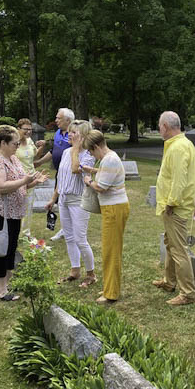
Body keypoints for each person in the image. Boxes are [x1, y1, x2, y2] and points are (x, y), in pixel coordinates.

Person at [0, 125, 48, 301]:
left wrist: (35, 181)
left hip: (14, 211)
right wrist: (24, 180)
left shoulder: (12, 158)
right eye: (14, 144)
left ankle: (8, 284)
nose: (17, 147)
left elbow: (22, 183)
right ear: (3, 142)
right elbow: (0, 187)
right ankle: (1, 290)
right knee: (2, 250)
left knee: (11, 248)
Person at [153, 111, 195, 306]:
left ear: (165, 127)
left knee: (179, 249)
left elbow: (179, 179)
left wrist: (171, 202)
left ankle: (187, 293)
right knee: (170, 243)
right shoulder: (180, 144)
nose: (159, 129)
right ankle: (169, 282)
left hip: (175, 207)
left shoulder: (179, 147)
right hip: (171, 206)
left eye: (159, 126)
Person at [46, 120, 97, 287]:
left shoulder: (88, 155)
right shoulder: (67, 152)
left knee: (80, 238)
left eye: (74, 133)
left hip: (79, 200)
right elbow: (61, 178)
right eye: (70, 132)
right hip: (64, 200)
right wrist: (53, 199)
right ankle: (74, 270)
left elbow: (76, 170)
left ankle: (91, 274)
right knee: (69, 237)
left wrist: (76, 148)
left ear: (83, 136)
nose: (70, 135)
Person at [82, 130, 129, 304]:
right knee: (109, 249)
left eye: (91, 152)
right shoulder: (109, 159)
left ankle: (111, 293)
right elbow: (107, 173)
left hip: (114, 209)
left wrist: (88, 181)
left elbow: (101, 186)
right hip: (113, 208)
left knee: (111, 251)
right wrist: (94, 169)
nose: (92, 156)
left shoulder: (109, 159)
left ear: (96, 146)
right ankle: (110, 286)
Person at [35, 108, 75, 240]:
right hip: (60, 172)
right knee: (60, 200)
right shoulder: (58, 132)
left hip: (72, 174)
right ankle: (65, 229)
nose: (56, 120)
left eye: (59, 118)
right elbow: (54, 151)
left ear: (68, 120)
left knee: (70, 201)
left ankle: (72, 230)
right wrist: (40, 162)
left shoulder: (74, 134)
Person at [15, 118, 47, 236]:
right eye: (25, 129)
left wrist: (42, 146)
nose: (28, 132)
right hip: (18, 179)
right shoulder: (14, 143)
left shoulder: (29, 141)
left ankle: (26, 233)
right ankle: (15, 232)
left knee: (28, 206)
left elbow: (35, 155)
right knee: (17, 206)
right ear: (18, 129)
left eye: (30, 130)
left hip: (32, 177)